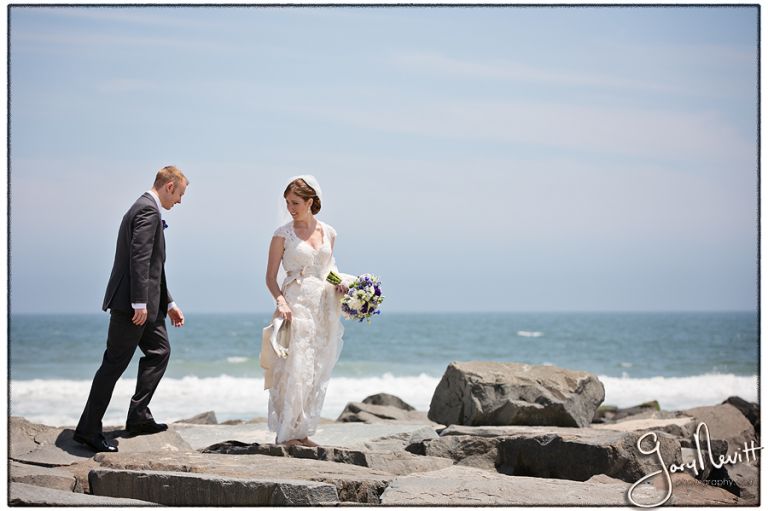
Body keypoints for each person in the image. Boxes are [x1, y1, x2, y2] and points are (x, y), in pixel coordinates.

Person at [73, 166, 188, 453]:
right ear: (170, 186)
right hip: (133, 306)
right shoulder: (148, 210)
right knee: (113, 365)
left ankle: (138, 416)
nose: (180, 201)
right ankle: (88, 430)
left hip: (148, 304)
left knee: (160, 351)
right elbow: (139, 257)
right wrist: (138, 301)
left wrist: (168, 302)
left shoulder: (145, 208)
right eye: (180, 194)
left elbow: (154, 264)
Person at [264, 175, 348, 447]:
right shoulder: (281, 234)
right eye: (288, 202)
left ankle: (302, 432)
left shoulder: (329, 232)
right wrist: (281, 302)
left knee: (315, 368)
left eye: (296, 202)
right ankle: (286, 434)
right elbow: (269, 277)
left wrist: (342, 286)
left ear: (310, 202)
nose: (291, 207)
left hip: (322, 306)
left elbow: (329, 271)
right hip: (295, 303)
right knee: (294, 366)